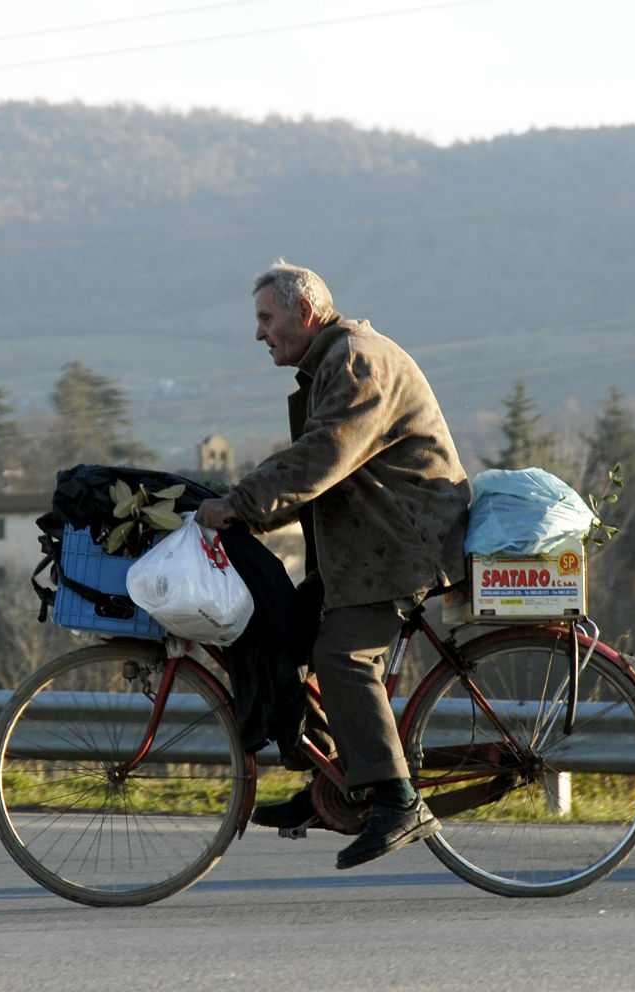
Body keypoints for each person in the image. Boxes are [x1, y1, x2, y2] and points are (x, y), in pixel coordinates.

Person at [195, 261, 470, 870]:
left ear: (306, 311)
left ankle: (397, 801)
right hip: (366, 545)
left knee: (341, 656)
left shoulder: (354, 360)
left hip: (404, 543)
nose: (260, 333)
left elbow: (325, 453)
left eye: (267, 319)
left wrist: (241, 504)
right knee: (288, 631)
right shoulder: (332, 361)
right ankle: (339, 783)